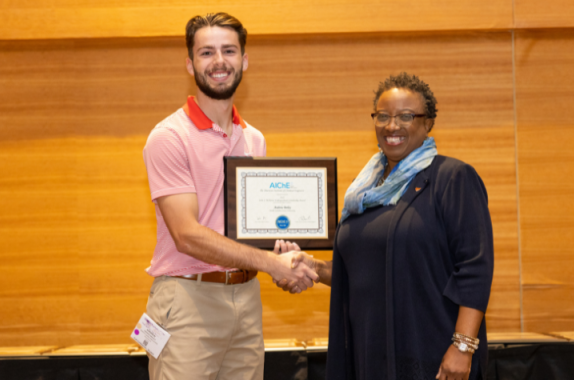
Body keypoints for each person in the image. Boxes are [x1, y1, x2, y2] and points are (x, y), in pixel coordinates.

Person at [279, 73, 494, 380]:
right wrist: (309, 266)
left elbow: (475, 269)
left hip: (429, 350)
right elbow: (363, 270)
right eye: (383, 116)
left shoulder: (451, 178)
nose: (392, 126)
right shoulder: (363, 190)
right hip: (369, 351)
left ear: (428, 122)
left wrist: (462, 347)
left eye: (406, 116)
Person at [142, 13, 318, 380]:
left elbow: (253, 229)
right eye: (206, 53)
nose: (219, 62)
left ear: (244, 60)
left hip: (247, 297)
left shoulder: (253, 138)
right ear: (190, 64)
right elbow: (187, 235)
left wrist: (282, 256)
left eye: (228, 51)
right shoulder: (169, 137)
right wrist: (272, 264)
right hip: (187, 300)